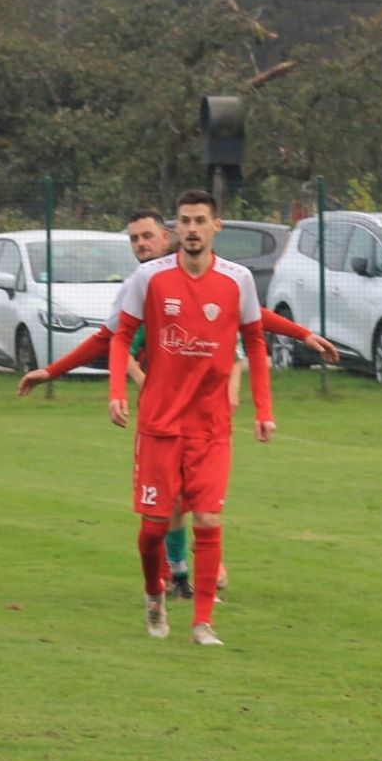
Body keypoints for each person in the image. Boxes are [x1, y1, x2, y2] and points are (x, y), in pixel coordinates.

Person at [18, 210, 337, 604]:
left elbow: (249, 317)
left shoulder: (209, 276)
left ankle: (184, 571)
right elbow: (108, 337)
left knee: (189, 502)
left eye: (148, 236)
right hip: (165, 409)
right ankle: (178, 572)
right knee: (168, 504)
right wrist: (53, 371)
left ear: (168, 236)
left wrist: (302, 334)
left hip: (203, 411)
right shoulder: (142, 284)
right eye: (134, 239)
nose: (141, 245)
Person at [105, 189, 275, 646]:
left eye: (201, 220)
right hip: (160, 424)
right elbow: (121, 337)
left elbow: (255, 343)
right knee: (152, 531)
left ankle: (202, 623)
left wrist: (264, 409)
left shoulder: (238, 280)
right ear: (175, 229)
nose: (193, 228)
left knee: (208, 521)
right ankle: (153, 594)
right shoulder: (151, 278)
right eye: (185, 221)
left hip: (211, 426)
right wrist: (117, 392)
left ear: (216, 225)